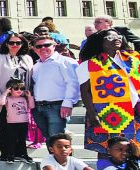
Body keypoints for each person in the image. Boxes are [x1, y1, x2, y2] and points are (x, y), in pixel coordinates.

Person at [78, 29, 140, 170]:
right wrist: (92, 114)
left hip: (134, 112)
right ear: (101, 42)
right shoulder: (89, 64)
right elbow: (85, 91)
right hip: (105, 113)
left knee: (133, 149)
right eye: (110, 37)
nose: (116, 38)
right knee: (106, 149)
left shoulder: (133, 59)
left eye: (118, 36)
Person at [32, 35, 79, 138]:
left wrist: (68, 102)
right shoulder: (36, 66)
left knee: (57, 139)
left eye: (47, 45)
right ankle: (54, 155)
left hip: (57, 107)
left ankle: (65, 155)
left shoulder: (65, 61)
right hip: (38, 107)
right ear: (35, 49)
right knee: (50, 139)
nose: (43, 48)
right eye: (39, 46)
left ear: (54, 46)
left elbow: (73, 83)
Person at [0, 79, 35, 164]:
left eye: (22, 88)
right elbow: (0, 102)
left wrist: (29, 97)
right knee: (11, 140)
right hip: (11, 123)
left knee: (22, 140)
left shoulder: (24, 99)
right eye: (16, 88)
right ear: (10, 89)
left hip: (23, 123)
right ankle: (10, 156)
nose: (19, 90)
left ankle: (24, 155)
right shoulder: (8, 99)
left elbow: (31, 106)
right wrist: (5, 93)